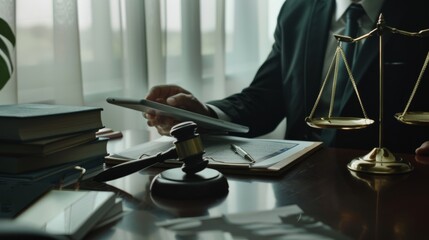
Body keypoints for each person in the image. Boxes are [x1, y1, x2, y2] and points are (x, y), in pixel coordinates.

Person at [145, 0, 429, 155]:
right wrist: (204, 113)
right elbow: (265, 99)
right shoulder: (297, 9)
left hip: (396, 186)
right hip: (300, 183)